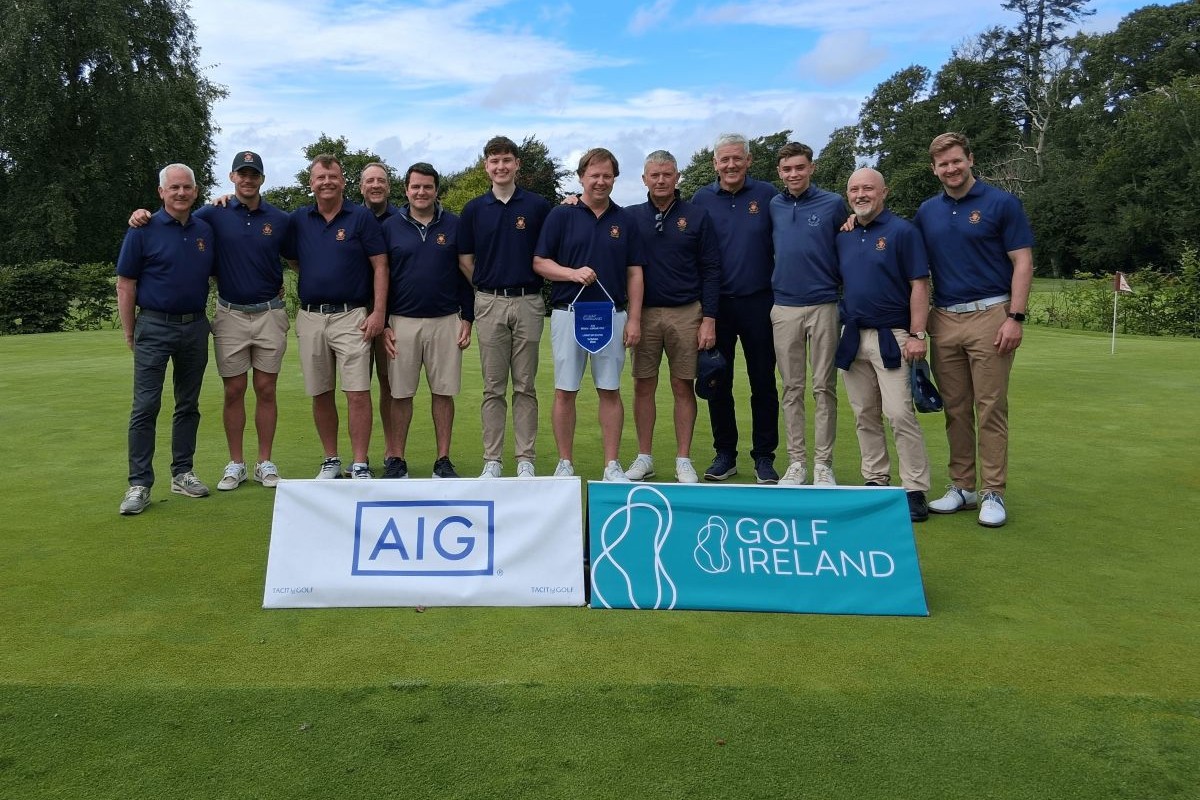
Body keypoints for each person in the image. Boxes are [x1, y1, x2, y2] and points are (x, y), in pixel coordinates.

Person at [127, 151, 291, 490]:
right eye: (242, 174)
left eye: (254, 174)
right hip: (228, 314)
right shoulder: (212, 213)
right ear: (232, 177)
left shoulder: (279, 218)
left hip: (267, 313)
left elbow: (296, 257)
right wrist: (142, 214)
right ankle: (235, 464)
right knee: (233, 389)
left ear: (262, 178)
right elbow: (174, 216)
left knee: (265, 388)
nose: (248, 179)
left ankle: (264, 462)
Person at [913, 132, 1035, 528]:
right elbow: (904, 252)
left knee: (990, 407)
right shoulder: (927, 211)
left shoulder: (1001, 203)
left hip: (991, 314)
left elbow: (1022, 261)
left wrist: (1015, 317)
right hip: (945, 319)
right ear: (934, 169)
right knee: (956, 409)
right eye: (943, 164)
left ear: (970, 160)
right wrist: (852, 220)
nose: (951, 169)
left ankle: (992, 491)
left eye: (956, 161)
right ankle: (963, 486)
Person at [533, 147, 644, 481]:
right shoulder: (561, 215)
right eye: (594, 175)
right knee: (565, 390)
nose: (600, 181)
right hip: (568, 313)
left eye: (607, 176)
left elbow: (635, 272)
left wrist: (634, 319)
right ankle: (565, 463)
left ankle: (612, 465)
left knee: (610, 390)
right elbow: (540, 263)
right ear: (581, 177)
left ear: (614, 179)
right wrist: (571, 273)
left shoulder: (625, 220)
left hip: (612, 315)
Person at [281, 154, 388, 479]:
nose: (326, 182)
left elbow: (380, 265)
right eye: (320, 177)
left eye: (332, 177)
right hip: (311, 317)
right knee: (321, 392)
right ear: (311, 183)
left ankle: (360, 463)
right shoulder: (299, 219)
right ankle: (331, 460)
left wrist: (378, 312)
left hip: (351, 316)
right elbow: (293, 260)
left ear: (342, 181)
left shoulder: (361, 217)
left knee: (357, 392)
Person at [116, 164, 214, 515]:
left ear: (196, 191)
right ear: (161, 192)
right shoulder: (142, 229)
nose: (181, 193)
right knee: (146, 406)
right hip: (154, 326)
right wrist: (131, 331)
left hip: (195, 326)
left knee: (188, 404)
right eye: (174, 187)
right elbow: (126, 284)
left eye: (187, 187)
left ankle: (182, 473)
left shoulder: (205, 229)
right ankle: (139, 483)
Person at [835, 168, 932, 522]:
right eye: (854, 189)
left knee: (899, 413)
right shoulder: (844, 235)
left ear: (884, 192)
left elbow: (920, 284)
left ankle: (914, 489)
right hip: (852, 335)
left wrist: (918, 334)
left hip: (894, 335)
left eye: (868, 189)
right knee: (864, 413)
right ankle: (875, 480)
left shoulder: (903, 231)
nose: (860, 195)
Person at [622, 150, 721, 484]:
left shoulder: (697, 216)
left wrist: (709, 318)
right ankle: (644, 457)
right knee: (643, 384)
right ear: (644, 179)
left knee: (682, 385)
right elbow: (597, 217)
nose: (661, 180)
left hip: (686, 312)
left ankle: (683, 459)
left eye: (667, 174)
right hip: (644, 313)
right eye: (655, 175)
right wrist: (573, 201)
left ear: (677, 176)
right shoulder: (630, 216)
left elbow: (711, 269)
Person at [457, 136, 552, 478]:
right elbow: (465, 260)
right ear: (486, 166)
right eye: (494, 161)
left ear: (517, 164)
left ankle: (525, 458)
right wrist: (486, 288)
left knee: (525, 385)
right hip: (489, 302)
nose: (501, 166)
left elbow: (553, 246)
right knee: (493, 387)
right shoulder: (473, 209)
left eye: (507, 160)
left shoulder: (538, 206)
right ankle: (492, 460)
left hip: (528, 300)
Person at [689, 133, 780, 483]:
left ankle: (764, 457)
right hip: (716, 307)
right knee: (717, 380)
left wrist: (848, 221)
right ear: (715, 163)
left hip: (760, 302)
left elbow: (796, 221)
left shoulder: (767, 195)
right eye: (724, 159)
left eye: (736, 158)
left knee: (763, 383)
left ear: (748, 161)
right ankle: (725, 453)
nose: (730, 165)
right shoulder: (702, 198)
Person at [378, 163, 473, 479]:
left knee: (443, 393)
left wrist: (468, 317)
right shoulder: (389, 227)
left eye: (427, 186)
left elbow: (464, 274)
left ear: (436, 190)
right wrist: (385, 323)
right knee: (400, 394)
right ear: (406, 190)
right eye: (415, 186)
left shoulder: (454, 225)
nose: (421, 192)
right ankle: (397, 459)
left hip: (445, 319)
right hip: (401, 321)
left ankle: (443, 460)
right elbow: (381, 276)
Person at [769, 142, 846, 487]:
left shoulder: (833, 203)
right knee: (791, 388)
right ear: (779, 172)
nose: (794, 174)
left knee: (823, 387)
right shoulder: (774, 205)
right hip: (785, 306)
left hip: (824, 304)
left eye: (800, 167)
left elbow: (849, 242)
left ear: (811, 167)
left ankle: (823, 465)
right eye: (787, 169)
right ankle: (797, 462)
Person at [359, 161, 405, 474]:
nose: (376, 185)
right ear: (361, 186)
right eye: (370, 181)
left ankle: (392, 452)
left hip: (393, 317)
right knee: (358, 387)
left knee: (390, 385)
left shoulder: (401, 220)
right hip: (355, 315)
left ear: (389, 186)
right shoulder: (351, 217)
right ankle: (359, 458)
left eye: (381, 180)